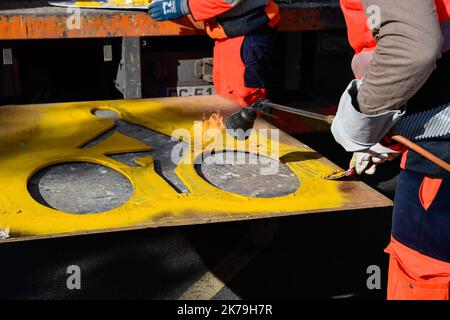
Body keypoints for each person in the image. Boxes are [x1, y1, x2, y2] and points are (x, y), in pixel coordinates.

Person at [333, 0, 449, 299]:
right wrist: (391, 135)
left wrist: (360, 124)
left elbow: (411, 47)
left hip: (439, 161)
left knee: (423, 274)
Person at [148, 0, 280, 107]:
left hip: (247, 31)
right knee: (227, 103)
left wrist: (182, 6)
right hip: (232, 29)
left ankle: (242, 138)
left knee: (242, 108)